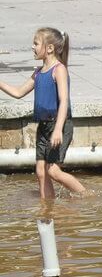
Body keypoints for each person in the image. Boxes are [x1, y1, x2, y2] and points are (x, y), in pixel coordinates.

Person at [0, 27, 87, 199]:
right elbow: (18, 92)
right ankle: (48, 207)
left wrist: (57, 130)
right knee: (41, 171)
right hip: (44, 126)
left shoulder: (59, 69)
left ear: (49, 48)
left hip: (59, 125)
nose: (32, 47)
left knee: (53, 171)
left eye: (36, 43)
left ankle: (87, 196)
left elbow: (64, 102)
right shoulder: (38, 73)